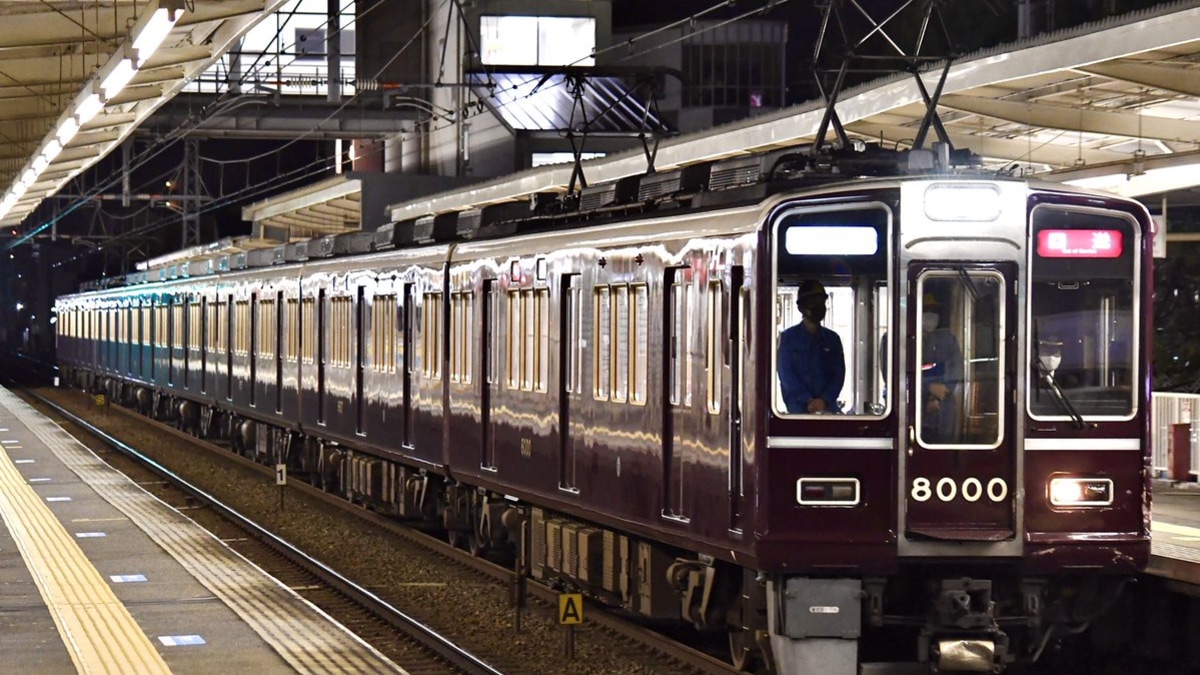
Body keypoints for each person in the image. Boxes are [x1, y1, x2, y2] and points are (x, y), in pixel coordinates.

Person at [778, 280, 845, 414]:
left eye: (821, 301)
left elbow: (838, 375)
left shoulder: (833, 339)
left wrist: (824, 400)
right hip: (798, 411)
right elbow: (786, 375)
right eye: (813, 302)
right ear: (802, 307)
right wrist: (807, 400)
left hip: (828, 410)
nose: (819, 307)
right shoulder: (787, 339)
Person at [920, 294, 962, 442]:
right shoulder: (895, 338)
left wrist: (940, 392)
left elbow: (957, 368)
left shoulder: (948, 339)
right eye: (925, 310)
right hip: (911, 402)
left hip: (944, 404)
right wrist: (927, 387)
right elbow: (893, 375)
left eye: (933, 310)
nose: (930, 314)